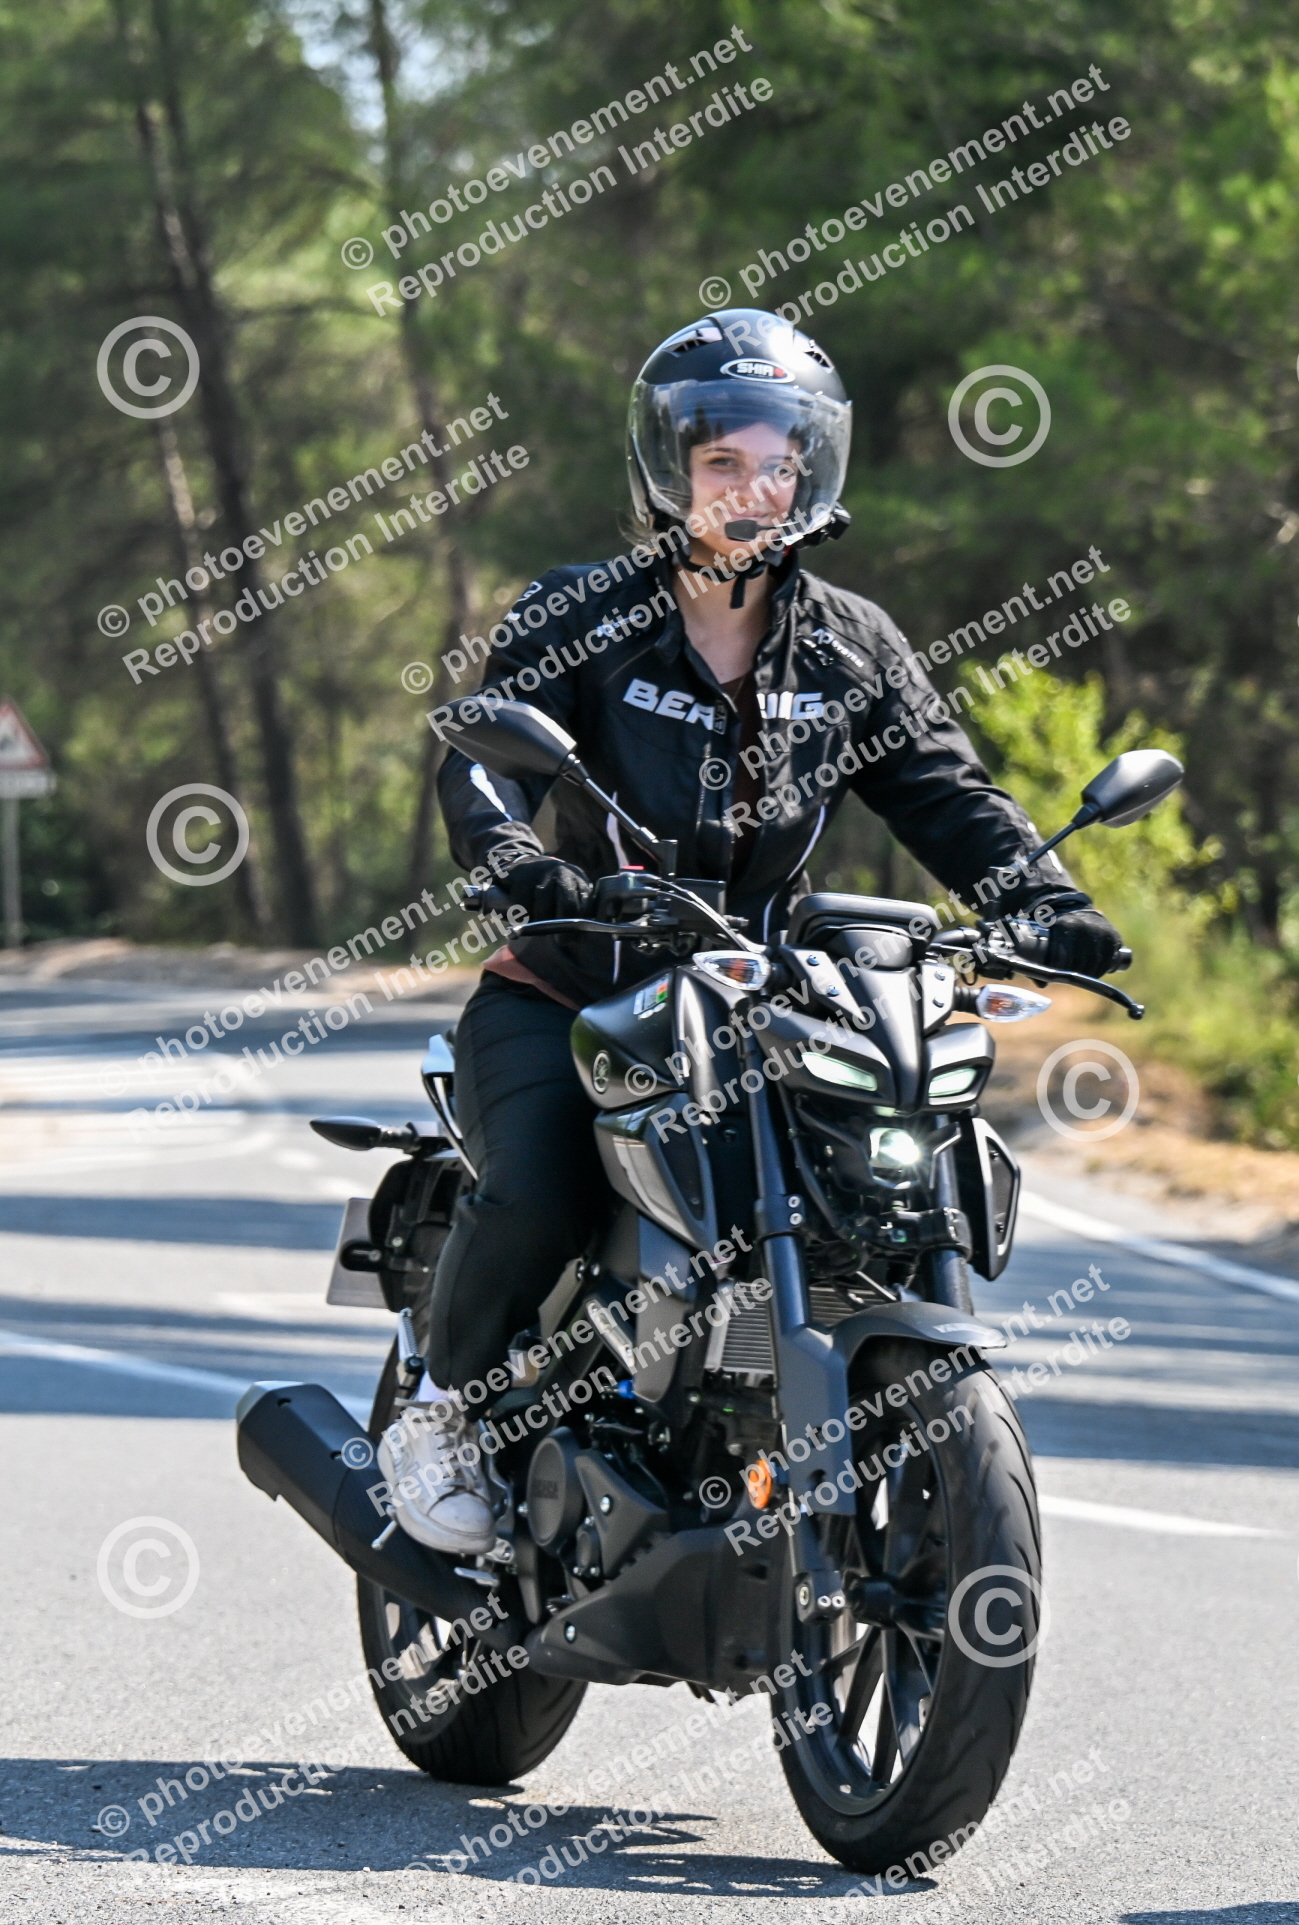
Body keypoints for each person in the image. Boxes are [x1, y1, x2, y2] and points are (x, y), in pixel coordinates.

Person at [378, 307, 1123, 1553]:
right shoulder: (580, 611)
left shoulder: (853, 646)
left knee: (880, 1171)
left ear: (811, 472)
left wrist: (1047, 900)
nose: (752, 488)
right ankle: (445, 1410)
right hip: (576, 989)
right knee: (544, 1179)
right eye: (723, 460)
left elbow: (946, 794)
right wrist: (518, 861)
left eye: (778, 462)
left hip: (768, 1002)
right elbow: (485, 762)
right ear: (670, 469)